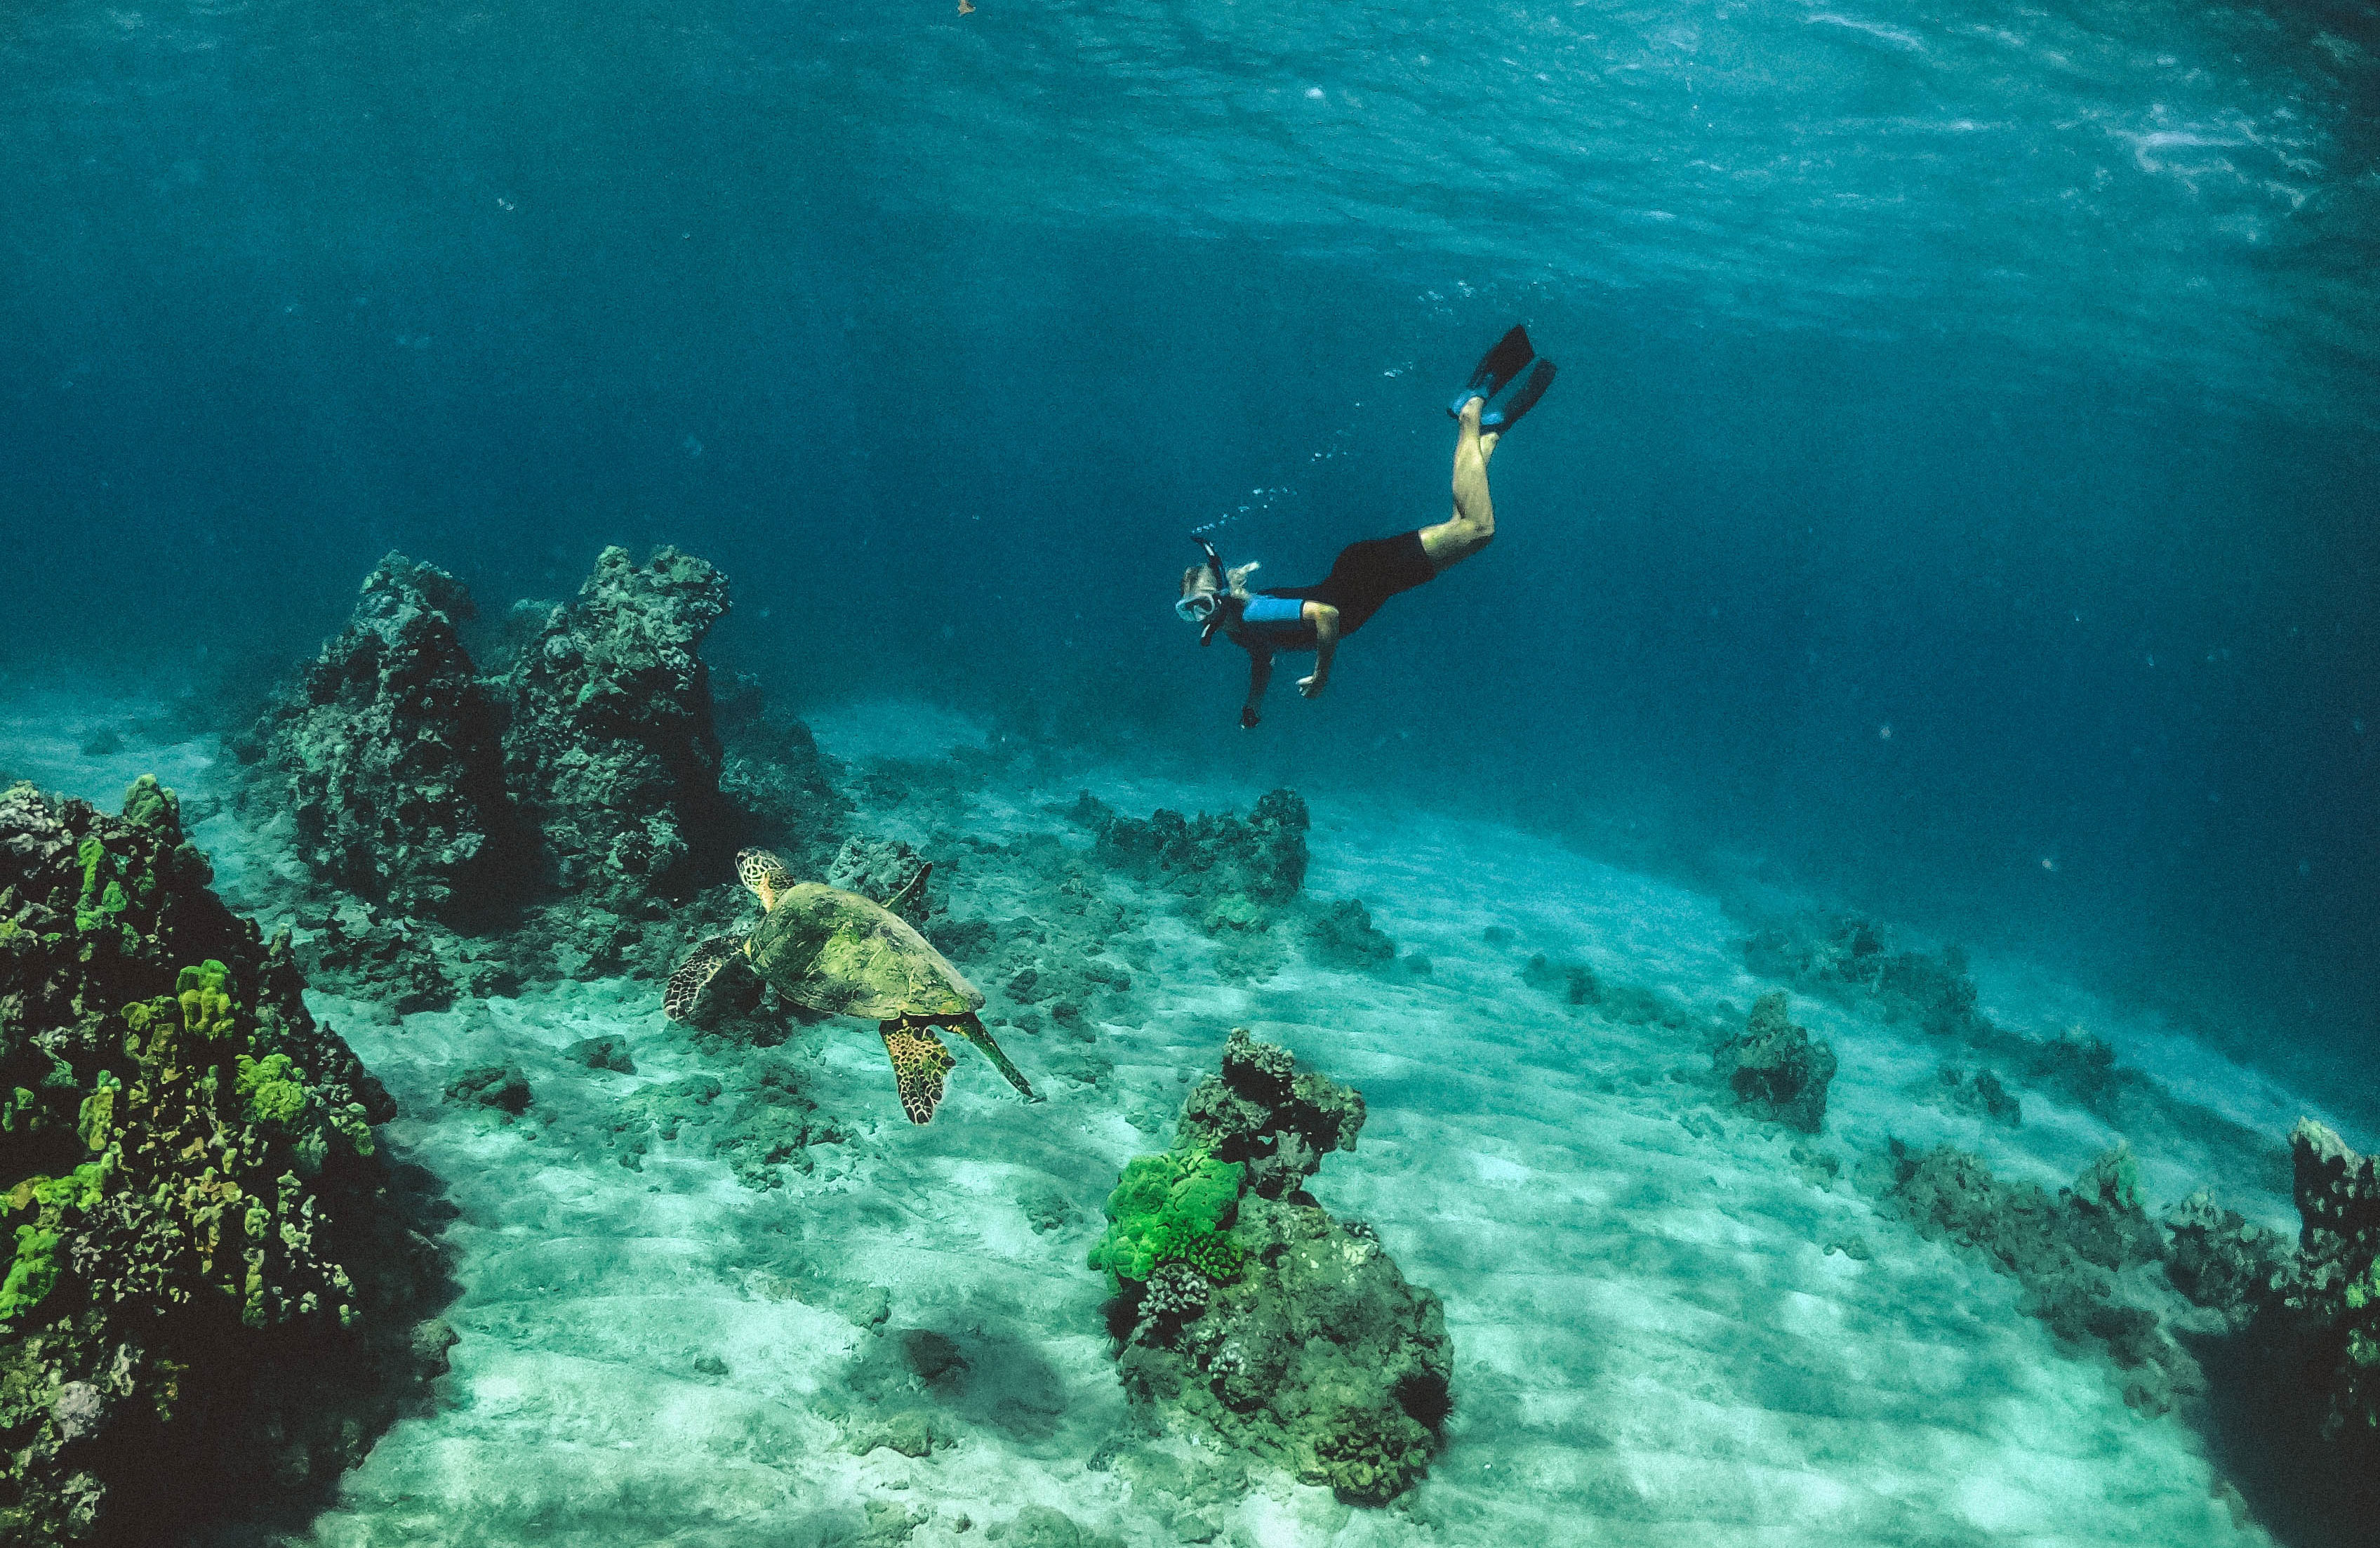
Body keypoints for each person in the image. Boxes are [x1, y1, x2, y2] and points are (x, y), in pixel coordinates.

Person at [1176, 325, 1557, 728]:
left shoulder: (1252, 613)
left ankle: (1472, 409)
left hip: (1371, 574)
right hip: (1372, 578)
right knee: (1465, 524)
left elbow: (1326, 615)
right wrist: (1252, 705)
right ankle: (1489, 433)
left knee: (1477, 528)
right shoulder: (1240, 631)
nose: (1201, 617)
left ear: (1219, 592)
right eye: (1191, 611)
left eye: (1202, 603)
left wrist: (1323, 675)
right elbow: (1263, 657)